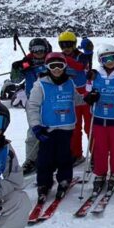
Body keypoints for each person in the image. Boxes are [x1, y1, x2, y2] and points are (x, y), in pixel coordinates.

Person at [27, 52, 80, 204]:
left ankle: (64, 179)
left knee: (64, 156)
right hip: (47, 128)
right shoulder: (40, 85)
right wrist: (36, 126)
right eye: (52, 66)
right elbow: (33, 107)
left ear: (65, 66)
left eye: (60, 65)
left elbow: (76, 99)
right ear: (47, 67)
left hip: (66, 126)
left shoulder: (70, 83)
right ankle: (44, 183)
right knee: (45, 158)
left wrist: (89, 98)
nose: (56, 69)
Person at [83, 44, 114, 193]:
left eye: (112, 58)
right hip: (98, 117)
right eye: (105, 59)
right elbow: (87, 93)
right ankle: (100, 172)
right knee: (100, 147)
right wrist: (91, 97)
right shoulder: (95, 75)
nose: (109, 61)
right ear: (100, 60)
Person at [58, 30, 92, 164]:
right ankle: (76, 154)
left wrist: (64, 60)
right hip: (70, 96)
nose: (66, 48)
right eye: (63, 45)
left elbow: (80, 66)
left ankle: (95, 154)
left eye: (69, 45)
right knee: (74, 128)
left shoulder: (81, 56)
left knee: (90, 126)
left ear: (74, 44)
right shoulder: (59, 58)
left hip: (85, 95)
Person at [20, 38, 51, 173]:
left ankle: (49, 157)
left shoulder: (50, 61)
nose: (38, 52)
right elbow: (15, 79)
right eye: (35, 50)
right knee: (33, 129)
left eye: (41, 49)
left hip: (50, 100)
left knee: (51, 129)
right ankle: (31, 159)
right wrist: (17, 68)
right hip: (32, 101)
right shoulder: (26, 63)